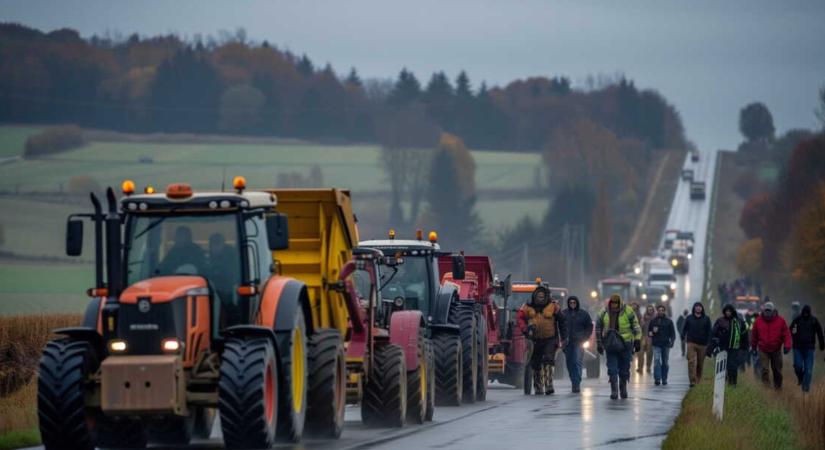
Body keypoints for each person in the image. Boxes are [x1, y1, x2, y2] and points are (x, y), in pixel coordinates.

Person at [518, 286, 566, 395]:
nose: (541, 298)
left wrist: (564, 337)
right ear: (535, 296)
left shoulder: (553, 306)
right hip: (534, 339)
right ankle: (538, 386)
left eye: (542, 296)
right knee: (536, 363)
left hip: (550, 338)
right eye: (539, 296)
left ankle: (549, 384)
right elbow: (520, 318)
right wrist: (526, 329)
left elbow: (562, 321)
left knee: (548, 360)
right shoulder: (527, 306)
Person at [596, 294, 642, 400]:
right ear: (610, 303)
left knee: (624, 369)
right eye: (612, 303)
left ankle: (623, 387)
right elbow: (598, 327)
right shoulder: (603, 312)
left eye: (616, 303)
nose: (614, 306)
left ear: (620, 303)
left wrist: (637, 340)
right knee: (612, 369)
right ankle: (614, 390)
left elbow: (636, 326)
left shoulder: (628, 311)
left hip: (625, 344)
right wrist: (599, 343)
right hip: (610, 344)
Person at [750, 302, 792, 390]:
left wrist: (787, 345)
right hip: (763, 349)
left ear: (773, 311)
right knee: (764, 370)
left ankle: (778, 388)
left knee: (777, 371)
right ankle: (767, 389)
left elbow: (786, 334)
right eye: (766, 311)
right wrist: (753, 347)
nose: (767, 313)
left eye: (769, 311)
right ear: (763, 311)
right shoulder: (758, 321)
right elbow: (754, 335)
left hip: (776, 349)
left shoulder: (781, 321)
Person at [710, 304, 749, 386]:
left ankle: (733, 383)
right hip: (722, 347)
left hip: (734, 348)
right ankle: (721, 383)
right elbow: (713, 333)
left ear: (732, 312)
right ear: (724, 311)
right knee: (722, 366)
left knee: (733, 366)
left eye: (729, 311)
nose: (728, 313)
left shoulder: (739, 321)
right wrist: (712, 345)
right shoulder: (720, 321)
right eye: (726, 311)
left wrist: (745, 347)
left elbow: (744, 335)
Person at [789, 305, 825, 392]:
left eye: (807, 313)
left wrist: (822, 344)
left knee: (808, 370)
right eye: (804, 312)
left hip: (809, 349)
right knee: (798, 366)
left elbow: (820, 332)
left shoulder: (814, 321)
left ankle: (805, 389)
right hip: (797, 348)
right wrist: (789, 342)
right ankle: (800, 378)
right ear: (802, 312)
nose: (805, 314)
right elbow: (790, 331)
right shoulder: (797, 320)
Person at [561, 295, 593, 393]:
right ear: (568, 303)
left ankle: (576, 383)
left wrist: (585, 337)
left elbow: (589, 327)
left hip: (579, 342)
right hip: (567, 343)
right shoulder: (564, 314)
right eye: (570, 303)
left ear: (577, 303)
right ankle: (574, 380)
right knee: (569, 363)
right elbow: (559, 326)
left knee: (576, 361)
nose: (572, 304)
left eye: (574, 302)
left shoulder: (584, 314)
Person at [682, 302, 712, 387]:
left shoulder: (706, 319)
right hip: (691, 342)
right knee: (691, 361)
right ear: (694, 308)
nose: (698, 308)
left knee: (700, 363)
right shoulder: (689, 318)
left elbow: (710, 331)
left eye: (700, 307)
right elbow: (684, 329)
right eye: (697, 307)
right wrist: (683, 335)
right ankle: (692, 381)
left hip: (703, 344)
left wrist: (710, 342)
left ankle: (698, 379)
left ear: (702, 309)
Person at [648, 304, 675, 386]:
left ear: (664, 311)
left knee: (665, 362)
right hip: (656, 344)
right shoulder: (653, 321)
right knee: (656, 361)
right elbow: (649, 333)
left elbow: (672, 333)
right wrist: (652, 332)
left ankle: (664, 378)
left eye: (662, 310)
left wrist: (672, 342)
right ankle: (657, 379)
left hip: (666, 344)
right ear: (657, 311)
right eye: (659, 310)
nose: (661, 312)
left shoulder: (669, 321)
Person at [637, 304, 655, 373]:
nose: (650, 311)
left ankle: (648, 367)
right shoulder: (643, 317)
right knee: (640, 353)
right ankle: (640, 367)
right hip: (643, 336)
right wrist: (643, 322)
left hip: (650, 338)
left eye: (651, 309)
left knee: (649, 353)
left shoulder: (654, 318)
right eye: (649, 309)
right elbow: (639, 327)